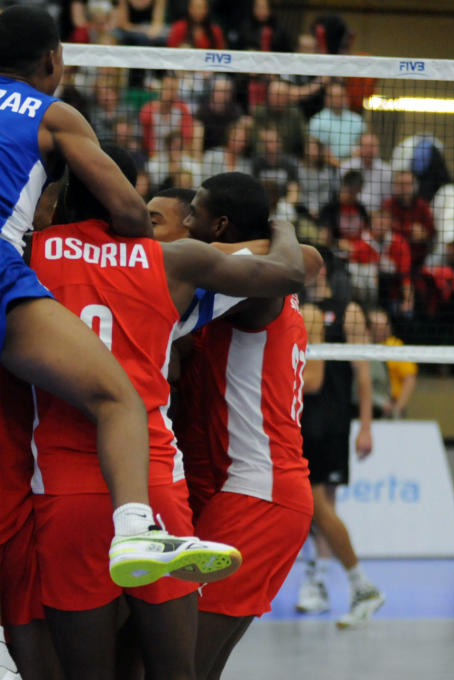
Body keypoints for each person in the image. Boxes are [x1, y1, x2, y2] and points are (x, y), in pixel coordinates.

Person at [0, 11, 240, 678]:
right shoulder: (52, 113)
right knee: (117, 396)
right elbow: (131, 211)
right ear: (53, 59)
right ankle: (136, 529)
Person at [30, 159, 306, 680]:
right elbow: (299, 261)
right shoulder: (168, 265)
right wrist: (278, 230)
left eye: (163, 217)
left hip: (82, 482)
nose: (148, 222)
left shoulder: (31, 252)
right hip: (159, 478)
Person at [173, 173, 315, 679]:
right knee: (197, 665)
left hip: (259, 495)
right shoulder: (262, 274)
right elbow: (308, 257)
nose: (186, 224)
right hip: (263, 493)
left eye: (194, 215)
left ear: (221, 225)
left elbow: (305, 262)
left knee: (174, 662)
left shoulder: (254, 286)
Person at [297, 251, 385, 629]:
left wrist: (365, 426)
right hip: (306, 419)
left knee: (318, 506)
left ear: (322, 268)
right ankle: (318, 583)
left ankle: (351, 584)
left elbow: (363, 373)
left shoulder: (348, 311)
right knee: (321, 508)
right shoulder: (301, 307)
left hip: (328, 421)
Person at [368, 307, 417, 419]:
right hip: (366, 405)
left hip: (391, 406)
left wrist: (397, 408)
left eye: (384, 325)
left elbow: (410, 378)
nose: (381, 329)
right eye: (376, 326)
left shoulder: (396, 346)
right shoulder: (360, 348)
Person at [308, 81, 364, 162]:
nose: (337, 100)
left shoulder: (357, 120)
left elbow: (362, 145)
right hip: (324, 165)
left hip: (352, 164)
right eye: (334, 97)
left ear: (346, 97)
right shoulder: (317, 121)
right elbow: (313, 148)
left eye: (340, 96)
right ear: (327, 99)